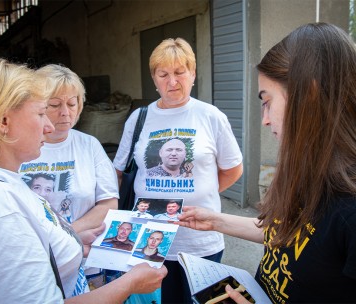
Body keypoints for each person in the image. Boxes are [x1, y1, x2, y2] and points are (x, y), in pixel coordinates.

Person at [0, 58, 167, 303]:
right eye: (41, 112)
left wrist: (72, 240)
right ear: (4, 122)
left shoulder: (1, 183)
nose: (50, 125)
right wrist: (129, 284)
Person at [176, 23, 356, 303]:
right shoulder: (309, 168)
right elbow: (283, 233)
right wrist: (216, 220)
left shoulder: (349, 205)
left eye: (267, 101)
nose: (265, 119)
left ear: (307, 94)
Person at [114, 37, 243, 303]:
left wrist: (200, 194)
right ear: (154, 78)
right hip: (149, 239)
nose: (172, 82)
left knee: (204, 300)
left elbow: (233, 169)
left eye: (179, 72)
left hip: (200, 241)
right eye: (164, 74)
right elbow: (119, 172)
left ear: (193, 74)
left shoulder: (211, 116)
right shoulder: (139, 118)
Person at [18, 64, 119, 282]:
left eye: (72, 103)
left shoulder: (89, 146)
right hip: (36, 262)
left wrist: (67, 233)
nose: (66, 112)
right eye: (54, 105)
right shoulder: (20, 147)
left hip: (85, 262)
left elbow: (109, 204)